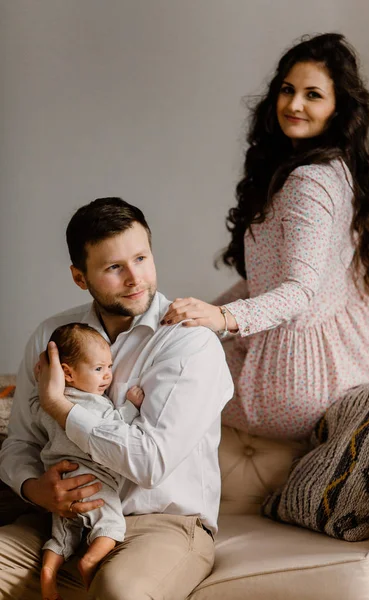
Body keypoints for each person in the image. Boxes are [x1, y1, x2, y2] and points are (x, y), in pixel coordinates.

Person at [161, 32, 369, 440]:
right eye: (287, 90)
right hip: (352, 356)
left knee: (159, 377)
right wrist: (196, 315)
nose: (294, 105)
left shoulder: (309, 182)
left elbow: (299, 290)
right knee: (167, 346)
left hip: (300, 379)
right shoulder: (338, 167)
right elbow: (270, 280)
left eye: (313, 95)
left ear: (338, 108)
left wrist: (221, 318)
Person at [0, 197, 234, 600]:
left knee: (120, 592)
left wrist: (60, 406)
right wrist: (33, 489)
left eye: (141, 258)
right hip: (61, 518)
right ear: (79, 276)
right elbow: (20, 441)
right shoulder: (50, 337)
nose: (135, 278)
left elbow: (149, 462)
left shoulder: (189, 341)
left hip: (162, 524)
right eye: (114, 267)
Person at [34, 322, 144, 599]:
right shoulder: (92, 403)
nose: (107, 376)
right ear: (67, 373)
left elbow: (36, 418)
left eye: (109, 367)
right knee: (111, 525)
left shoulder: (44, 402)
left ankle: (48, 573)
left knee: (63, 533)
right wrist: (131, 405)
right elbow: (114, 428)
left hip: (59, 481)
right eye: (98, 369)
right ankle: (90, 561)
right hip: (92, 480)